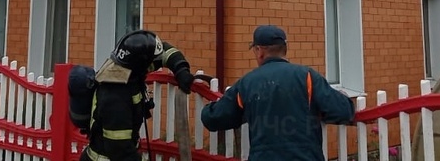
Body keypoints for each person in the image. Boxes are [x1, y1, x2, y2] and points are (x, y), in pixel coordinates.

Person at [200, 25, 356, 161]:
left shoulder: (247, 83)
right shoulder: (307, 77)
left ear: (259, 51)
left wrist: (210, 107)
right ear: (285, 48)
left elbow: (214, 119)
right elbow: (344, 110)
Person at [79, 30, 194, 161]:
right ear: (141, 64)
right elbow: (120, 151)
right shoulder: (115, 96)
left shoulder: (128, 68)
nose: (154, 63)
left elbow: (165, 51)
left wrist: (181, 69)